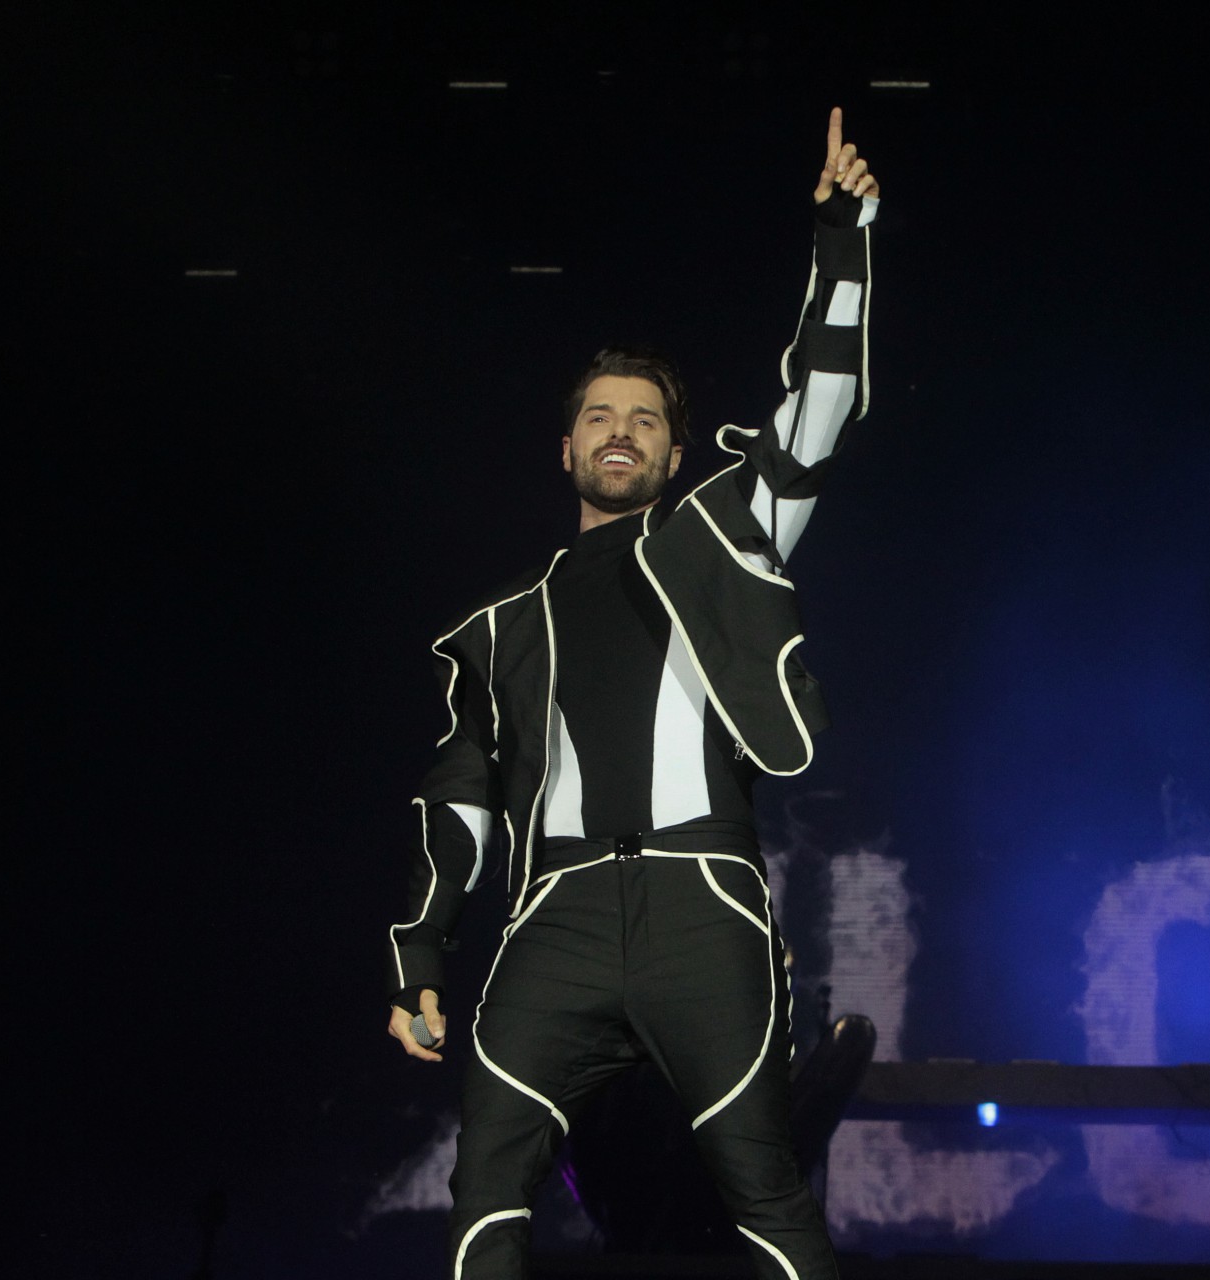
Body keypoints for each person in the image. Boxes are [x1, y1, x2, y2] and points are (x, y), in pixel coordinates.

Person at [383, 108, 880, 1280]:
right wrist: (417, 952)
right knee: (486, 1177)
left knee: (761, 1178)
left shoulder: (721, 534)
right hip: (552, 916)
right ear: (566, 449)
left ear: (670, 448)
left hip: (700, 897)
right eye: (599, 417)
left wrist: (844, 240)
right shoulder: (504, 622)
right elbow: (458, 792)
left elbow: (819, 409)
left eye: (644, 419)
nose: (621, 433)